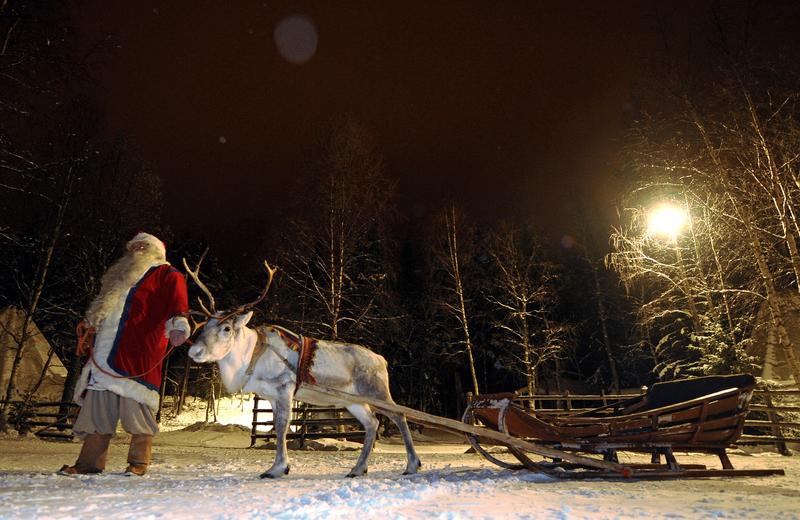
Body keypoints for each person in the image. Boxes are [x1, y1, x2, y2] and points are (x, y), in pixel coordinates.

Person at [59, 232, 190, 476]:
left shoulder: (167, 274)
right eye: (133, 246)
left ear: (156, 251)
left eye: (143, 246)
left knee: (137, 406)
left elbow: (178, 304)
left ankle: (138, 463)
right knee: (98, 410)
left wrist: (179, 324)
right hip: (103, 354)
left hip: (138, 352)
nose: (137, 250)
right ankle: (89, 464)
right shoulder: (118, 280)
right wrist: (91, 325)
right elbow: (104, 311)